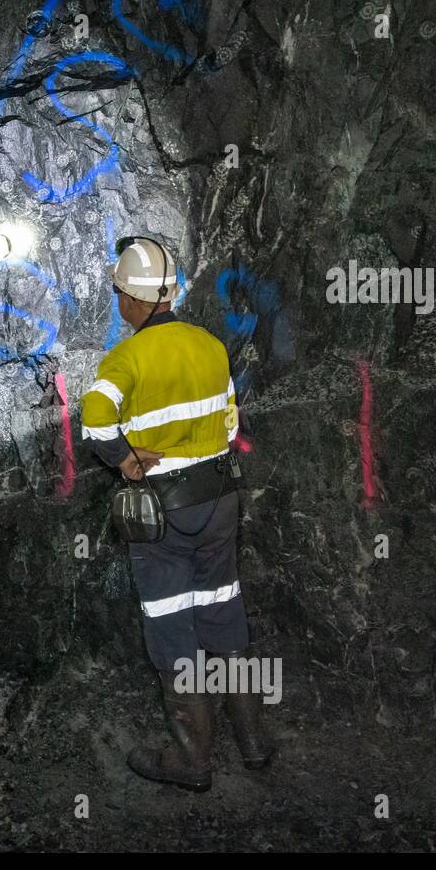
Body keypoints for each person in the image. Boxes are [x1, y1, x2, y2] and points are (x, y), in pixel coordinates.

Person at [81, 237, 276, 793]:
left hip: (164, 513)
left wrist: (125, 459)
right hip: (221, 501)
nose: (120, 302)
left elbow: (94, 421)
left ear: (135, 302)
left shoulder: (126, 357)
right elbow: (232, 426)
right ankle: (254, 741)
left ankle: (193, 761)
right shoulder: (211, 345)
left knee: (171, 624)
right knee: (222, 610)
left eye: (121, 293)